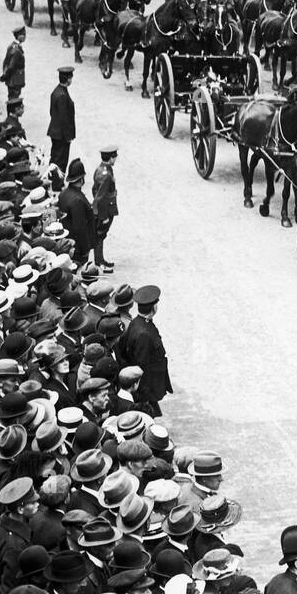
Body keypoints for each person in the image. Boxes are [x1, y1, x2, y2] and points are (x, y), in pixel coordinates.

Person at [118, 285, 172, 416]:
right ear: (153, 307)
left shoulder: (137, 323)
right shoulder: (144, 334)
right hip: (146, 388)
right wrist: (145, 397)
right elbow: (142, 366)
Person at [57, 158, 96, 267]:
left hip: (67, 241)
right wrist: (85, 249)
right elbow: (80, 227)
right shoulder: (77, 200)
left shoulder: (63, 194)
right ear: (81, 179)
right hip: (77, 247)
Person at [92, 145, 119, 273]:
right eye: (115, 156)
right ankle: (99, 261)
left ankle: (100, 259)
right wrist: (103, 216)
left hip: (104, 207)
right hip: (106, 209)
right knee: (100, 235)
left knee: (100, 235)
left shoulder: (99, 169)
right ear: (111, 158)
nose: (116, 159)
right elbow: (101, 197)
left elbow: (94, 190)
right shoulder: (107, 174)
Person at [47, 65, 76, 171]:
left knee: (55, 157)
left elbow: (52, 112)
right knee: (61, 160)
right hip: (61, 134)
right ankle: (57, 183)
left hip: (56, 131)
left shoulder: (57, 91)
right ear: (68, 79)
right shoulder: (62, 95)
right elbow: (64, 119)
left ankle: (54, 180)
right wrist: (68, 136)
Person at [1, 25, 25, 107]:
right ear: (19, 36)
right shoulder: (17, 50)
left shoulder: (12, 46)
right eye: (23, 35)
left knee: (12, 98)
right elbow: (11, 65)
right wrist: (5, 76)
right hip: (15, 79)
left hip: (12, 79)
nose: (25, 37)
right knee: (14, 100)